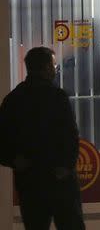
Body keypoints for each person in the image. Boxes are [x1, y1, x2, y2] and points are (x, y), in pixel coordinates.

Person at [0, 47, 84, 230]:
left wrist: (13, 159)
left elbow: (2, 138)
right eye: (54, 65)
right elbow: (71, 135)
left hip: (30, 180)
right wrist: (67, 166)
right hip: (59, 179)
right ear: (46, 67)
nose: (56, 69)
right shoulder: (57, 96)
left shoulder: (14, 99)